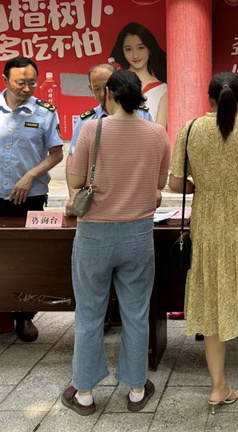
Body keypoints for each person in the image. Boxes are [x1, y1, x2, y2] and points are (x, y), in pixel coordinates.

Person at [169, 72, 238, 419]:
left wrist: (203, 184)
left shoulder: (190, 130)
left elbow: (175, 184)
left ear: (210, 100)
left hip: (208, 230)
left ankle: (218, 388)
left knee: (212, 312)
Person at [61, 70, 170, 415]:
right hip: (138, 232)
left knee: (89, 312)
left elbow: (76, 179)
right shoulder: (157, 133)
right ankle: (136, 388)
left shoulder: (92, 129)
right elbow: (161, 182)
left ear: (108, 93)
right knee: (136, 312)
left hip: (94, 233)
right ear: (140, 96)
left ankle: (84, 392)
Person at [0, 56, 63, 342]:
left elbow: (56, 154)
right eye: (20, 83)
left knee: (26, 261)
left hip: (30, 200)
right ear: (5, 80)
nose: (26, 89)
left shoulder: (44, 112)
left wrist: (30, 176)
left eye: (31, 83)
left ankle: (24, 317)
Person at [65, 63, 155, 217]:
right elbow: (73, 159)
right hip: (98, 200)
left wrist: (156, 190)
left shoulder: (143, 115)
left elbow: (152, 157)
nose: (102, 94)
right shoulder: (86, 121)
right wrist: (73, 196)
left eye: (106, 88)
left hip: (134, 196)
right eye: (96, 89)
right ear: (90, 89)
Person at [108, 22, 167, 128]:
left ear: (150, 49)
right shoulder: (114, 83)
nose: (135, 55)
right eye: (128, 49)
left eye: (141, 48)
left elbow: (159, 131)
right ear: (122, 52)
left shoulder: (163, 90)